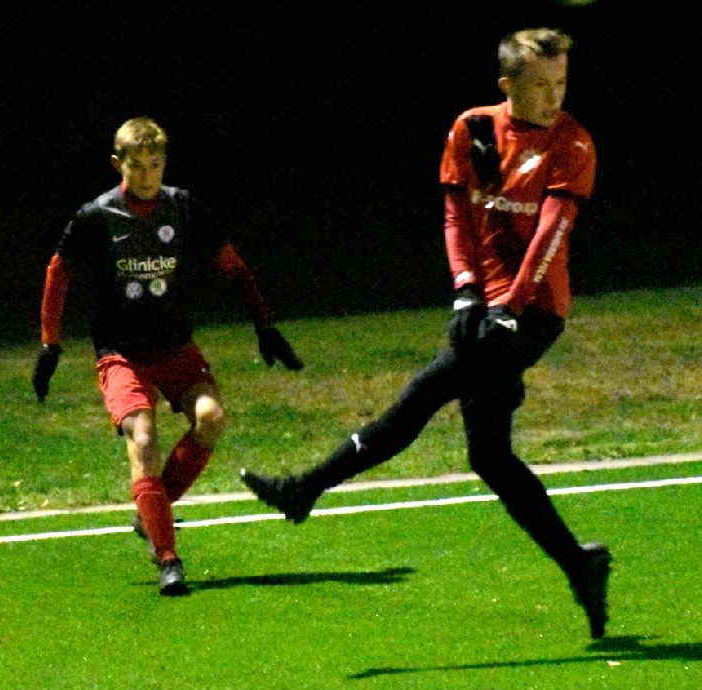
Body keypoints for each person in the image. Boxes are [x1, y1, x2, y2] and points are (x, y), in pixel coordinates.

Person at [240, 28, 612, 638]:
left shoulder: (572, 142)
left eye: (562, 82)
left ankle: (303, 489)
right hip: (484, 305)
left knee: (425, 392)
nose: (555, 96)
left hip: (535, 311)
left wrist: (510, 306)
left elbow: (551, 234)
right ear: (507, 85)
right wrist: (465, 287)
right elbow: (457, 215)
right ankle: (579, 563)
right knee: (489, 456)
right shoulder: (476, 130)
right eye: (542, 84)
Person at [32, 116, 303, 596]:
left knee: (211, 418)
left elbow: (234, 267)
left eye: (154, 164)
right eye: (136, 165)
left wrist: (265, 325)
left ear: (165, 162)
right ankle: (168, 558)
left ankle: (151, 511)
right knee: (143, 437)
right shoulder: (96, 216)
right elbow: (58, 272)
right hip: (121, 353)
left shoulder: (182, 207)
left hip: (176, 346)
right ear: (117, 164)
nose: (146, 174)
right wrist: (50, 343)